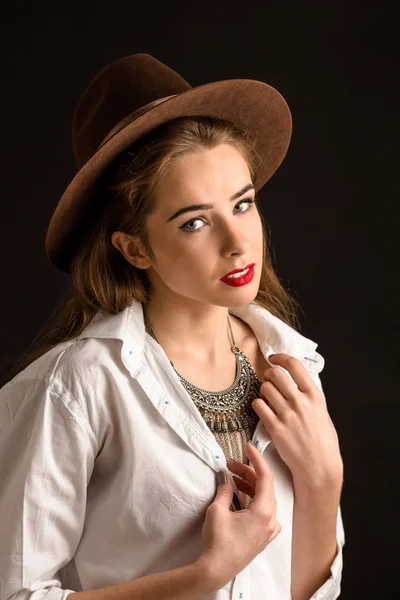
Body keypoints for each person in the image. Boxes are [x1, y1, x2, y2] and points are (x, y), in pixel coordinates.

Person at [0, 54, 345, 600]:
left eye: (244, 203)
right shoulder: (76, 387)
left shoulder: (294, 369)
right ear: (134, 247)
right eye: (195, 222)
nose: (237, 242)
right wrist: (202, 576)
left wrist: (324, 484)